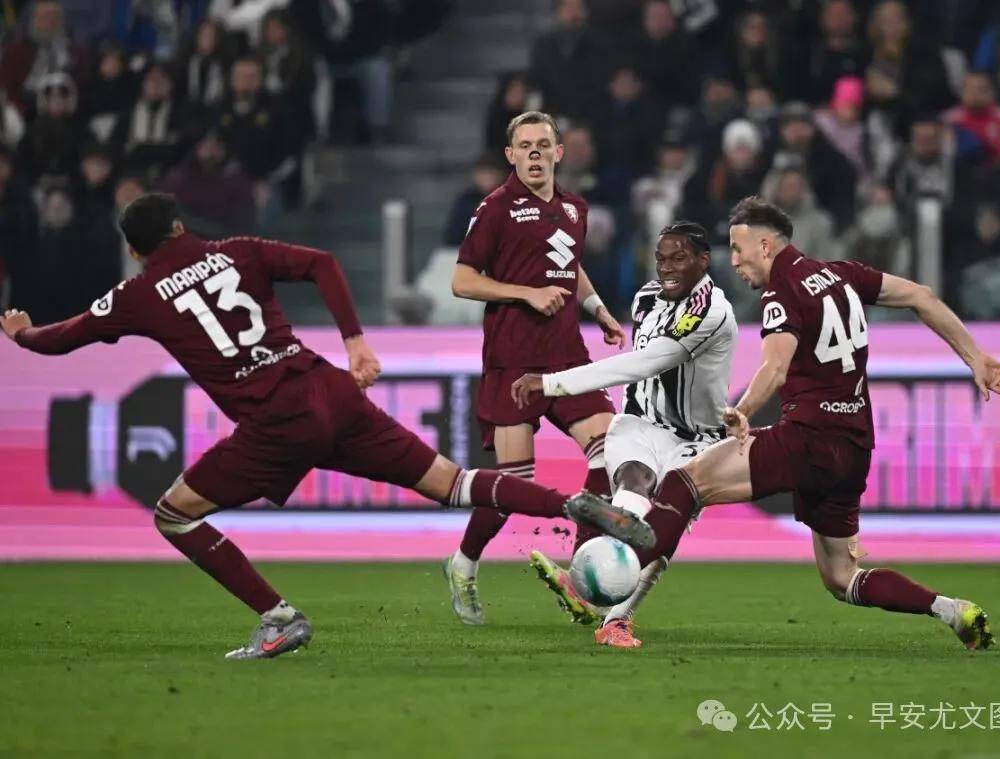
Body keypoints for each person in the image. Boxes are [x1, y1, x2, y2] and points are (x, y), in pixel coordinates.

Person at [0, 193, 654, 660]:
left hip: (275, 421)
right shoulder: (239, 250)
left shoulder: (138, 293)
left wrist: (22, 333)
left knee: (174, 514)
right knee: (453, 482)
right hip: (330, 391)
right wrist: (356, 342)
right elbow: (321, 263)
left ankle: (279, 617)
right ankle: (567, 503)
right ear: (180, 225)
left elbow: (63, 337)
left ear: (135, 249)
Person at [571, 196, 1000, 649]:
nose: (734, 261)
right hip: (854, 449)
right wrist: (975, 358)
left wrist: (743, 411)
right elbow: (922, 296)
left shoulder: (782, 292)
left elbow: (776, 367)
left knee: (685, 482)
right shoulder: (843, 274)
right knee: (842, 577)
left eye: (739, 249)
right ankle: (952, 610)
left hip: (806, 439)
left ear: (765, 246)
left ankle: (618, 572)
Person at [509, 221, 737, 647]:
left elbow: (646, 362)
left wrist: (553, 382)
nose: (667, 268)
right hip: (641, 423)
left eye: (679, 258)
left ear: (704, 260)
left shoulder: (711, 310)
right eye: (661, 258)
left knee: (659, 534)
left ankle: (608, 607)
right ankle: (602, 568)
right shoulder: (646, 298)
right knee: (635, 481)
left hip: (697, 442)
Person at [447, 111, 627, 625]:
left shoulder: (574, 208)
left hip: (569, 359)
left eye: (542, 145)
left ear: (558, 153)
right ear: (510, 155)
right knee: (514, 486)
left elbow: (570, 266)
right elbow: (462, 280)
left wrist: (597, 309)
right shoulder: (495, 208)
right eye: (523, 145)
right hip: (512, 362)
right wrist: (526, 293)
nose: (533, 153)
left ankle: (580, 570)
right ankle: (462, 564)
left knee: (611, 452)